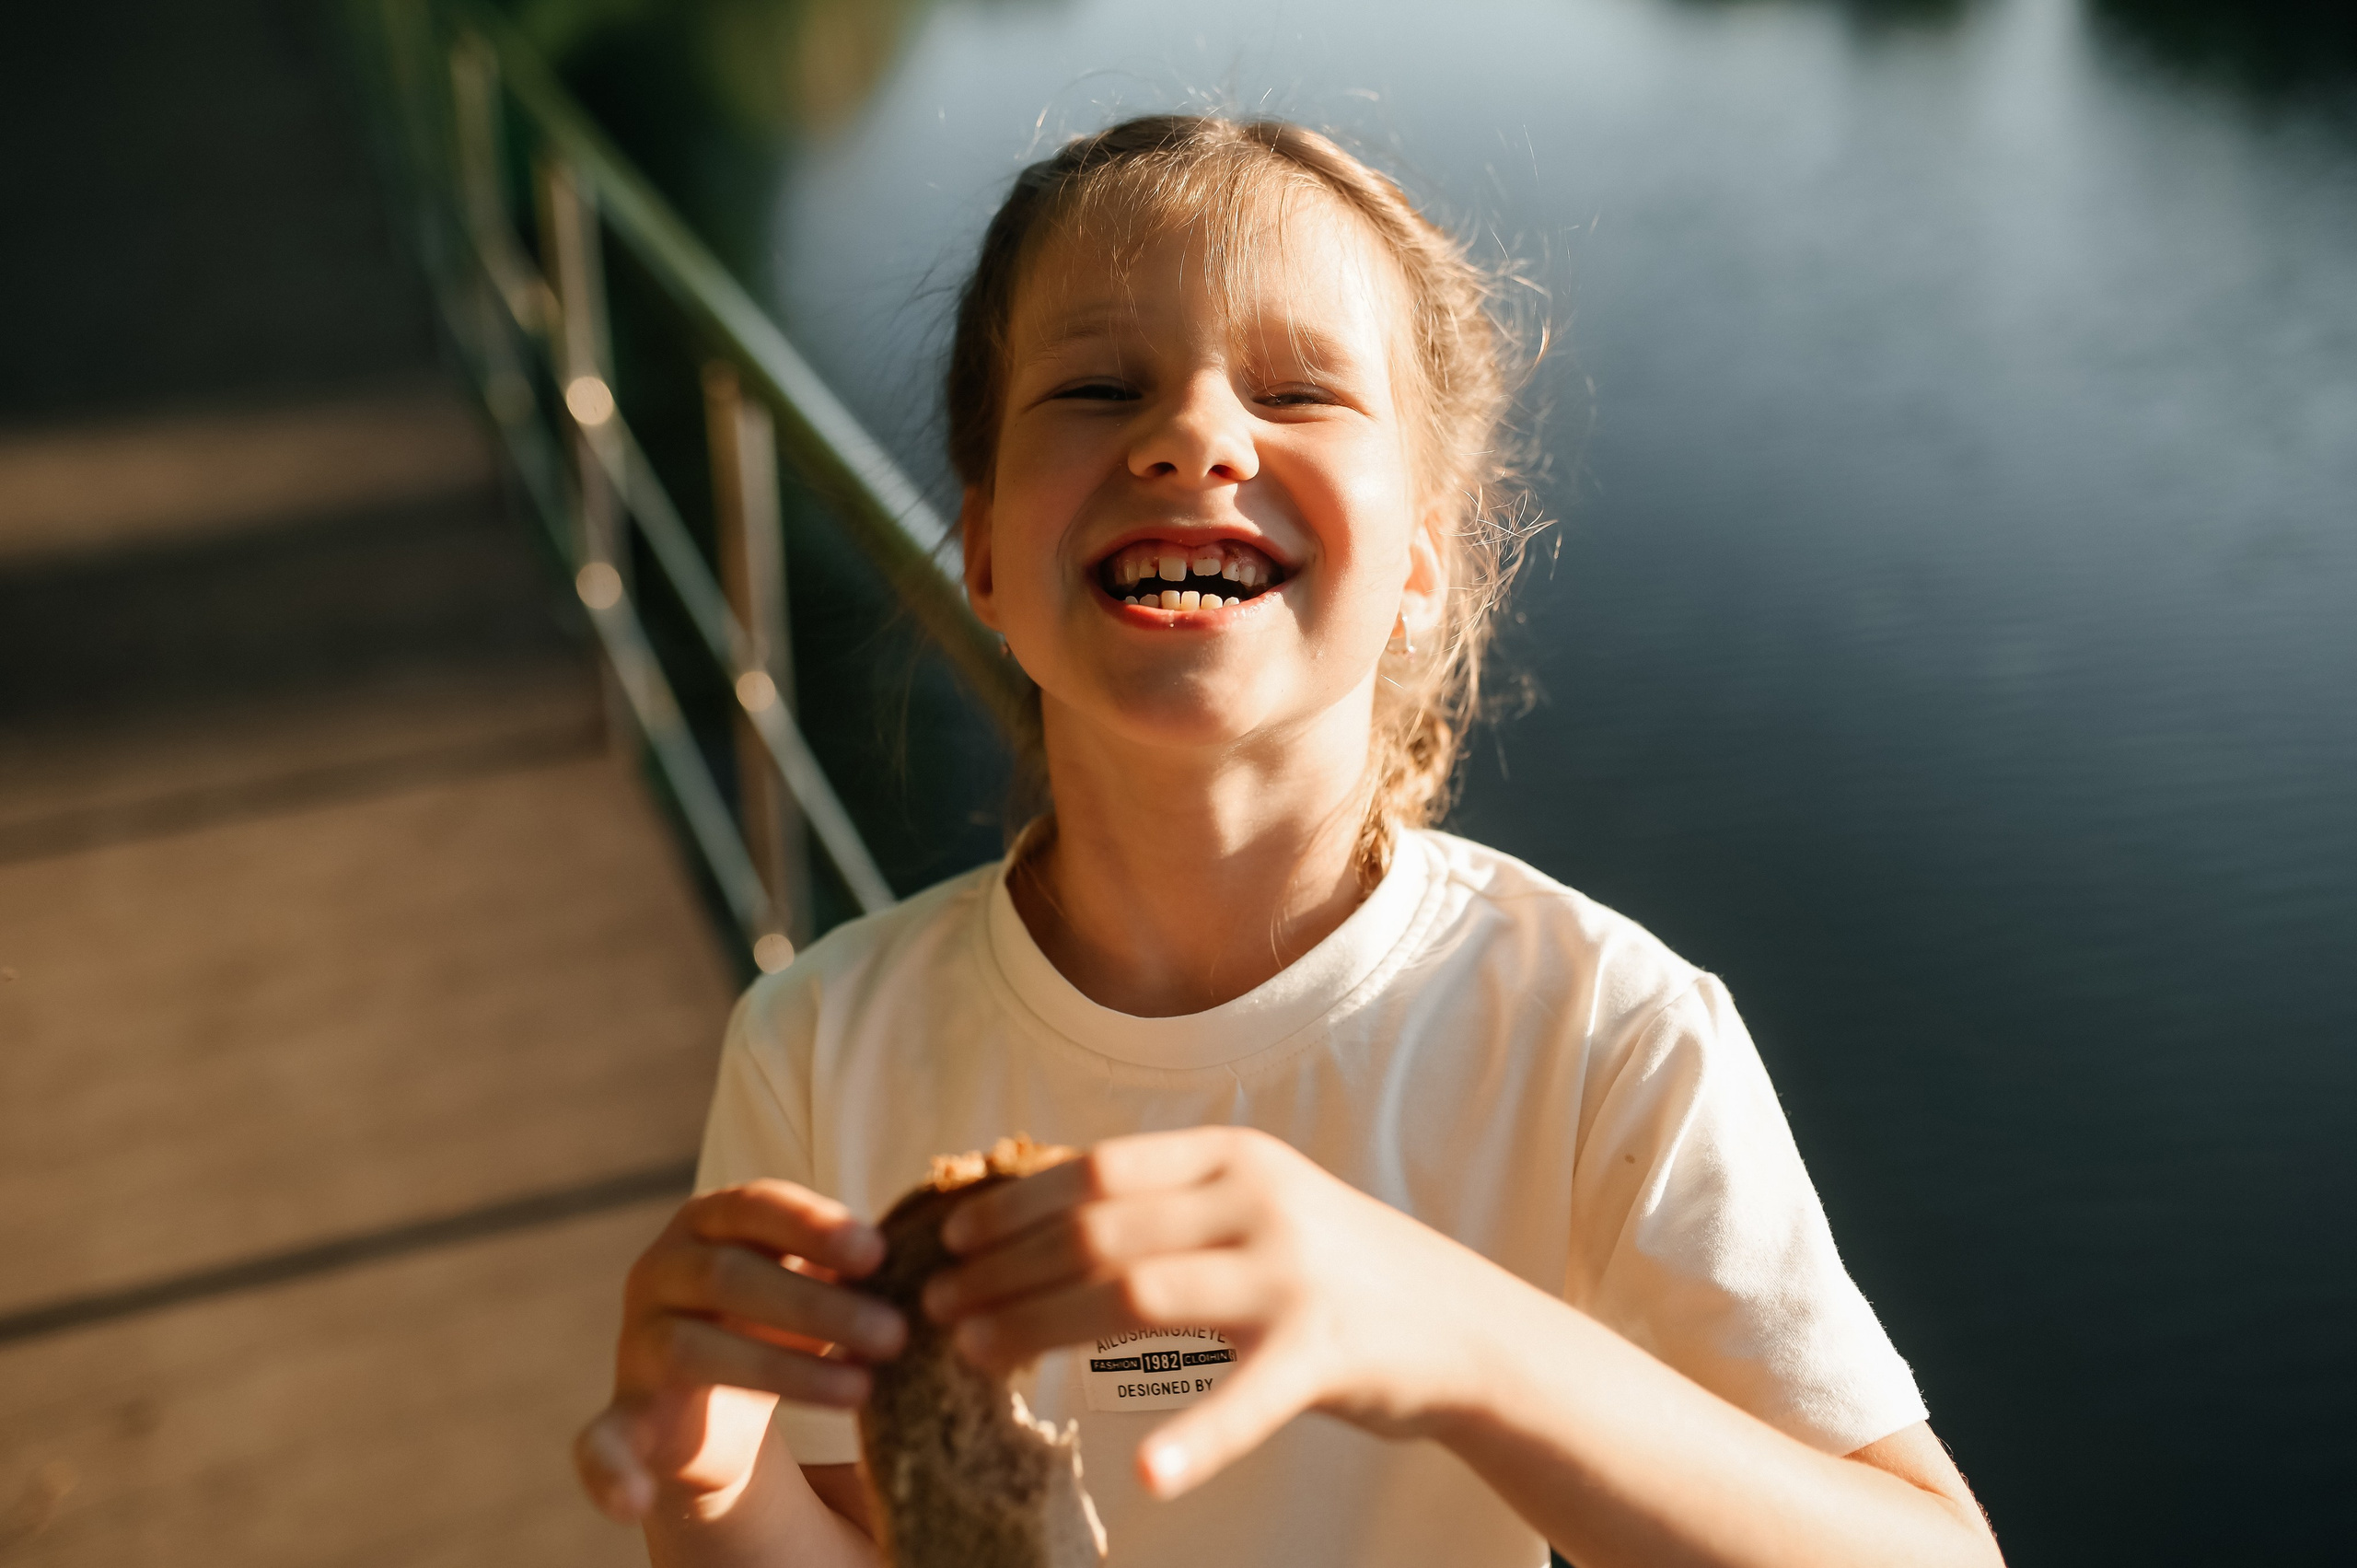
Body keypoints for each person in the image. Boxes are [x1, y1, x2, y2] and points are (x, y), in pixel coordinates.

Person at [573, 115, 2005, 1568]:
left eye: (1300, 391)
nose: (1193, 434)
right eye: (1095, 384)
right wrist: (718, 1494)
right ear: (988, 552)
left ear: (1425, 560)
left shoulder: (1601, 1034)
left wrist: (1448, 1331)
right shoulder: (818, 1046)